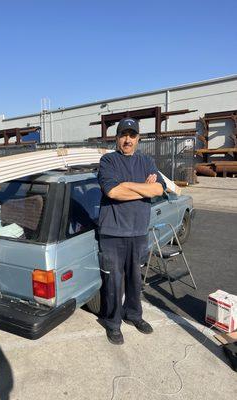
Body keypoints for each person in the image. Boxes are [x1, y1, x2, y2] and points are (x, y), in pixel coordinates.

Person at [97, 117, 166, 345]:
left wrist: (128, 185)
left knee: (135, 279)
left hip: (138, 232)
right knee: (114, 282)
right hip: (113, 232)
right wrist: (144, 190)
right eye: (123, 135)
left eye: (132, 135)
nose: (128, 140)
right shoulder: (108, 161)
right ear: (117, 138)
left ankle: (134, 315)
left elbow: (158, 189)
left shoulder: (146, 161)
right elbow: (113, 193)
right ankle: (113, 323)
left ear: (138, 138)